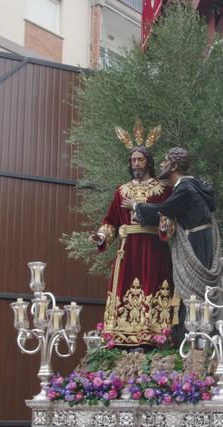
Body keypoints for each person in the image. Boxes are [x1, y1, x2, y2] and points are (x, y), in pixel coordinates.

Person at [128, 147, 222, 342]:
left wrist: (137, 206)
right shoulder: (193, 185)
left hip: (195, 244)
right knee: (196, 295)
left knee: (193, 292)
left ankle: (194, 340)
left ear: (174, 165)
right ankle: (198, 338)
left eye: (165, 161)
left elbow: (165, 209)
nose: (161, 164)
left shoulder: (185, 188)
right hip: (201, 240)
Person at [93, 132, 176, 347]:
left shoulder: (163, 189)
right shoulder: (122, 191)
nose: (136, 163)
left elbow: (169, 217)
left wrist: (166, 226)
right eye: (133, 160)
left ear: (148, 161)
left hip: (153, 248)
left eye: (140, 159)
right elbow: (110, 220)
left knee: (155, 286)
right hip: (128, 250)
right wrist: (102, 235)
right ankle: (120, 337)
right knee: (125, 287)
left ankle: (155, 336)